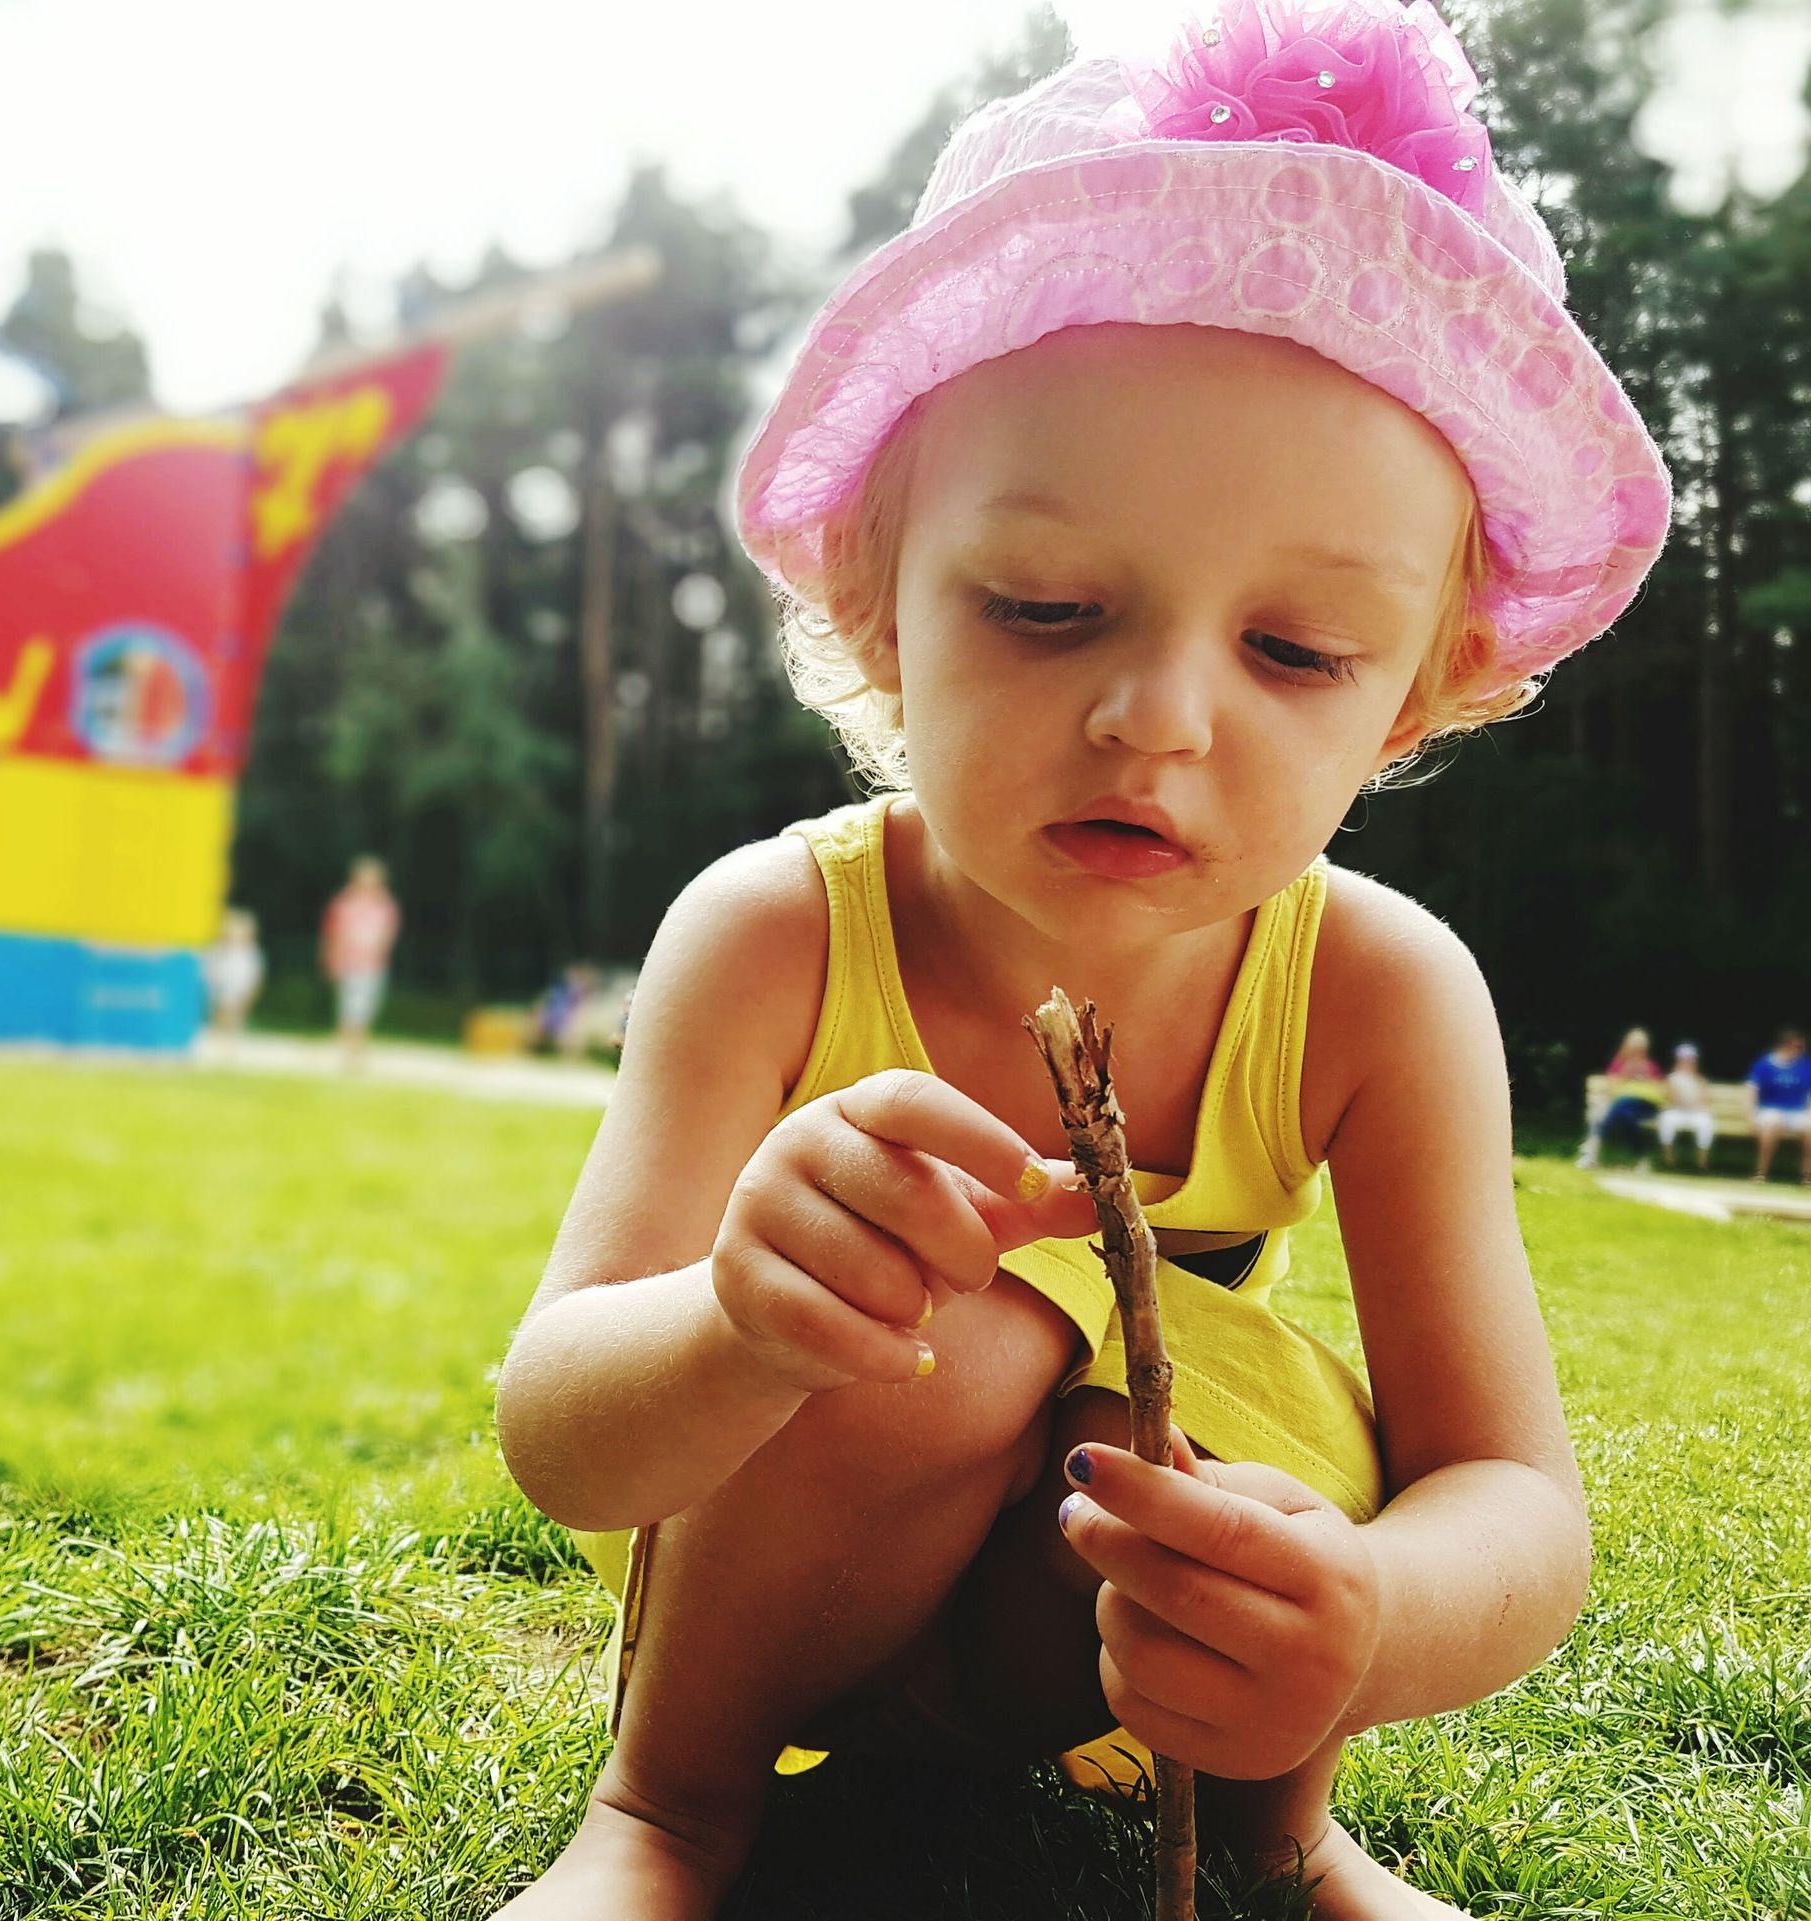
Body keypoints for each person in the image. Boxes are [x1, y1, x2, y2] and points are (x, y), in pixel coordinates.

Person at [491, 6, 1670, 1916]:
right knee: (946, 1339)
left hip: (1104, 1656)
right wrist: (736, 1317)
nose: (1155, 719)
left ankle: (1298, 1841)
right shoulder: (775, 931)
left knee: (1201, 1421)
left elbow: (1517, 1506)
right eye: (1045, 608)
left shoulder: (1380, 994)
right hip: (787, 1592)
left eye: (1296, 652)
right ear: (879, 605)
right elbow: (560, 1427)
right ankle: (665, 1812)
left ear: (1418, 702)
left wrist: (1360, 1611)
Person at [321, 857, 400, 1070]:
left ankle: (356, 1049)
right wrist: (332, 958)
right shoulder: (343, 903)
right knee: (351, 1008)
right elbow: (332, 933)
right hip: (349, 963)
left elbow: (388, 934)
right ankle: (349, 1052)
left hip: (373, 965)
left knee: (365, 1009)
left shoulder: (385, 906)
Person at [1572, 1027, 1665, 1171]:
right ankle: (1642, 1159)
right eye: (1634, 1049)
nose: (1637, 1053)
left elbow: (1659, 1090)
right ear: (1627, 1047)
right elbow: (1610, 1089)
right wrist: (1625, 1074)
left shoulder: (1651, 1066)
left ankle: (1592, 1147)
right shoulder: (1619, 1064)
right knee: (1625, 1115)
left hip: (1644, 1106)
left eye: (1640, 1050)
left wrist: (1646, 1078)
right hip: (1623, 1108)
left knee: (1622, 1104)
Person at [1745, 1027, 1811, 1184]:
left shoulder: (1806, 1066)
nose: (1801, 1051)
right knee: (1774, 1122)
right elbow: (1751, 1091)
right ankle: (1761, 1172)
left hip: (1797, 1112)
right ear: (1785, 1046)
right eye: (1798, 1047)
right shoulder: (1764, 1064)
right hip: (1770, 1110)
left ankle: (1807, 1176)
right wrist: (1751, 1117)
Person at [200, 907, 266, 1049]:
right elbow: (211, 968)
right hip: (221, 985)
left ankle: (229, 1040)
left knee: (234, 1013)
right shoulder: (218, 950)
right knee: (222, 1012)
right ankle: (220, 1039)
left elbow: (253, 974)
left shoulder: (249, 954)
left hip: (237, 986)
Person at [1657, 1043, 1715, 1173]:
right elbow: (1673, 1097)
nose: (1688, 1062)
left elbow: (1706, 1098)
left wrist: (1695, 1103)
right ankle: (1668, 1161)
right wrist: (1689, 1102)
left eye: (1691, 1059)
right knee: (1666, 1120)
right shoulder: (1672, 1078)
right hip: (1676, 1111)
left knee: (1706, 1122)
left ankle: (1702, 1164)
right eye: (1684, 1059)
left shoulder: (1700, 1079)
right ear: (1678, 1060)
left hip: (1695, 1112)